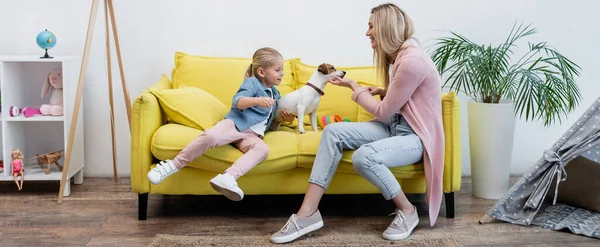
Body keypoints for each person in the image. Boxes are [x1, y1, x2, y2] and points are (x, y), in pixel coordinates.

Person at [271, 3, 445, 243]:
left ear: (385, 27)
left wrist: (355, 88)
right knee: (332, 132)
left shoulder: (412, 60)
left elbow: (383, 112)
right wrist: (385, 90)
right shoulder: (400, 57)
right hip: (393, 127)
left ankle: (408, 210)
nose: (367, 32)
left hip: (414, 137)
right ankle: (307, 213)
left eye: (371, 26)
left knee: (365, 156)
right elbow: (408, 100)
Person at [147, 47, 295, 201]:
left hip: (252, 136)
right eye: (278, 70)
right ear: (261, 73)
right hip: (236, 124)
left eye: (282, 69)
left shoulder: (276, 94)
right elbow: (238, 101)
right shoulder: (253, 83)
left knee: (262, 150)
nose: (282, 73)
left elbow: (271, 120)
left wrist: (284, 118)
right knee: (211, 136)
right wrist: (258, 100)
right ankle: (173, 165)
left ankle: (228, 177)